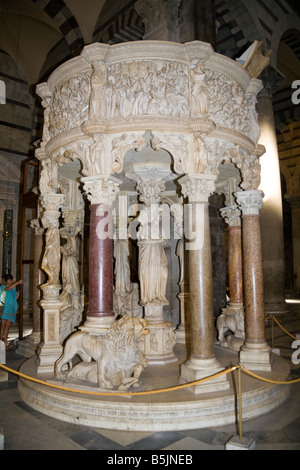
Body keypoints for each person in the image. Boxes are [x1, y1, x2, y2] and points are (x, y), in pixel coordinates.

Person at [0, 275, 23, 346]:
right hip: (5, 309)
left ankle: (5, 341)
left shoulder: (13, 289)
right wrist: (18, 282)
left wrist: (18, 294)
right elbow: (8, 288)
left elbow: (15, 298)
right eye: (9, 280)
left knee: (7, 326)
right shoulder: (3, 287)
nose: (10, 281)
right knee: (2, 326)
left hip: (11, 309)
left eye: (11, 280)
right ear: (6, 281)